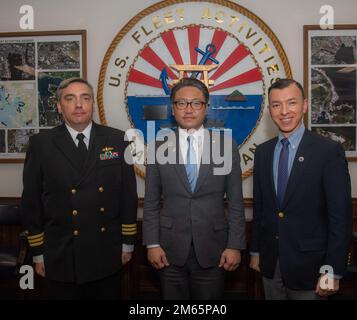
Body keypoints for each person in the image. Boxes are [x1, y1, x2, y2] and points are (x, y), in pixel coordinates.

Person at [21, 77, 138, 299]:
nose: (78, 104)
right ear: (59, 106)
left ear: (93, 104)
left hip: (107, 251)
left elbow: (128, 196)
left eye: (85, 98)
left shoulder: (117, 139)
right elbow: (31, 202)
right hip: (61, 254)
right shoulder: (41, 144)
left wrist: (128, 243)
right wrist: (37, 253)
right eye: (70, 98)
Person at [143, 77, 246, 300]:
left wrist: (235, 245)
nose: (188, 109)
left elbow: (237, 202)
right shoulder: (157, 146)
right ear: (173, 108)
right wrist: (152, 243)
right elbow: (150, 202)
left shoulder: (226, 147)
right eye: (181, 103)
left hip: (215, 250)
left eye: (196, 103)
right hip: (168, 251)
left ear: (206, 107)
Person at [250, 78, 352, 300]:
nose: (284, 111)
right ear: (270, 110)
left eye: (292, 103)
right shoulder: (263, 152)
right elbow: (261, 209)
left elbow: (340, 218)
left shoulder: (328, 152)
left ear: (304, 105)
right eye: (276, 105)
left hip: (312, 268)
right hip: (270, 265)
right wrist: (256, 251)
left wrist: (332, 270)